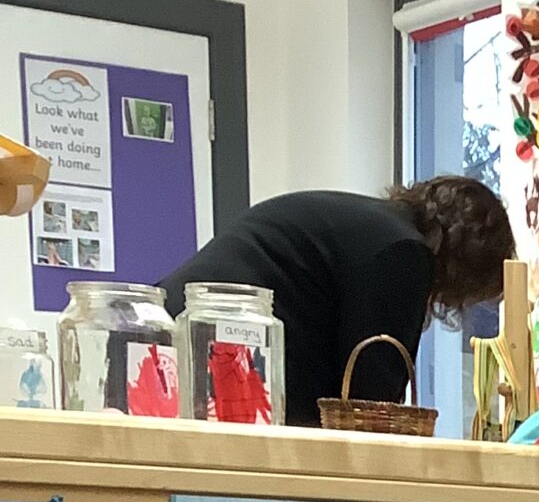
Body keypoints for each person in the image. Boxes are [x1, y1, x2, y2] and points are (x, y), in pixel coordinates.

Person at [161, 177, 516, 427]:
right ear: (467, 268)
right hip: (221, 343)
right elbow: (372, 406)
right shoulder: (403, 253)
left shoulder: (364, 225)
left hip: (175, 331)